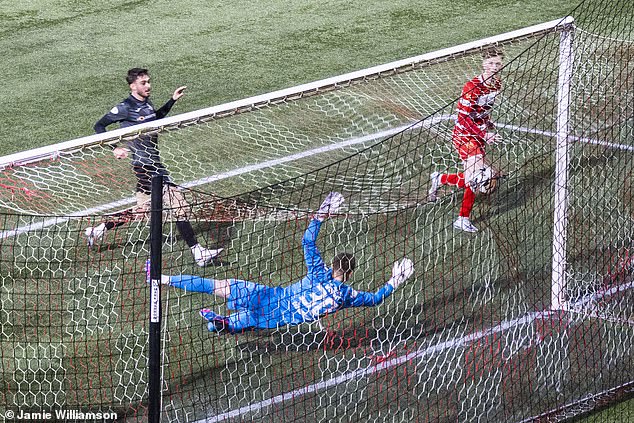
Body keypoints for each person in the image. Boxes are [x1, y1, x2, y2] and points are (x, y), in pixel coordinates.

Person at [157, 192, 415, 334]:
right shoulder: (347, 295)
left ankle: (164, 278)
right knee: (240, 322)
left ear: (334, 266)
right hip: (277, 319)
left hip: (268, 297)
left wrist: (321, 215)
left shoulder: (318, 274)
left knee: (217, 285)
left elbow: (307, 242)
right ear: (348, 274)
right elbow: (375, 298)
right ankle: (222, 325)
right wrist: (396, 278)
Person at [85, 68, 221, 266]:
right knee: (179, 204)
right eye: (143, 83)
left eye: (148, 82)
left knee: (143, 211)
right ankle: (197, 252)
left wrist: (172, 100)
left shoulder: (146, 103)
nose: (148, 86)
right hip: (145, 166)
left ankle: (98, 230)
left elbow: (155, 119)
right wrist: (114, 148)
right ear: (133, 86)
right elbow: (99, 126)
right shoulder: (125, 107)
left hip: (154, 162)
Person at [427, 48, 504, 233]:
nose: (494, 67)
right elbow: (463, 119)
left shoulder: (497, 85)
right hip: (464, 136)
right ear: (483, 64)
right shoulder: (471, 87)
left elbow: (482, 110)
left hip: (478, 135)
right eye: (491, 63)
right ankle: (462, 219)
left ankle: (440, 179)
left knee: (472, 178)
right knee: (478, 177)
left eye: (498, 63)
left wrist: (487, 122)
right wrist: (484, 133)